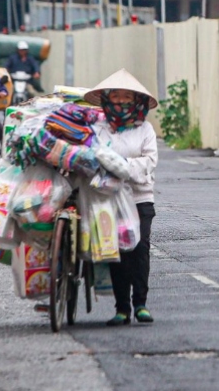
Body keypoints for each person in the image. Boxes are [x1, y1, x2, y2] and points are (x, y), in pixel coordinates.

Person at [84, 69, 159, 326]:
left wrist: (122, 166)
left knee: (138, 249)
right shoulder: (99, 128)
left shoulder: (145, 129)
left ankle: (141, 304)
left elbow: (149, 161)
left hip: (139, 198)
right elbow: (92, 156)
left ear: (136, 101)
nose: (120, 102)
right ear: (106, 100)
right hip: (107, 198)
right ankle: (122, 308)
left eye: (126, 97)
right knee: (114, 249)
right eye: (115, 97)